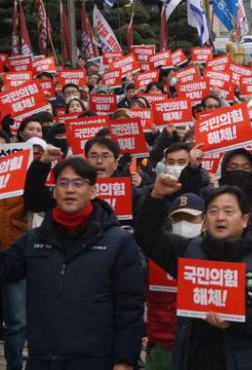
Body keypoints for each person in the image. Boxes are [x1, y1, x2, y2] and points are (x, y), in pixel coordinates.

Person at [135, 176, 252, 370]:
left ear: (244, 220)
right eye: (213, 211)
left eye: (228, 211)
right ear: (205, 221)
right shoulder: (187, 252)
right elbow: (147, 237)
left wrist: (238, 318)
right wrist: (156, 198)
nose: (220, 217)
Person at [0, 157, 145, 369]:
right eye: (63, 183)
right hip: (43, 360)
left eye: (78, 183)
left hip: (96, 360)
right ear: (54, 192)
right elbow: (5, 268)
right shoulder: (34, 240)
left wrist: (124, 360)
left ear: (93, 191)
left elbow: (130, 306)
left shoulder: (118, 241)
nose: (70, 190)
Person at [145, 194, 206, 370]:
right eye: (178, 218)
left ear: (203, 220)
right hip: (161, 347)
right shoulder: (155, 255)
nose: (183, 223)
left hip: (200, 347)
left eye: (190, 218)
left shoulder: (215, 254)